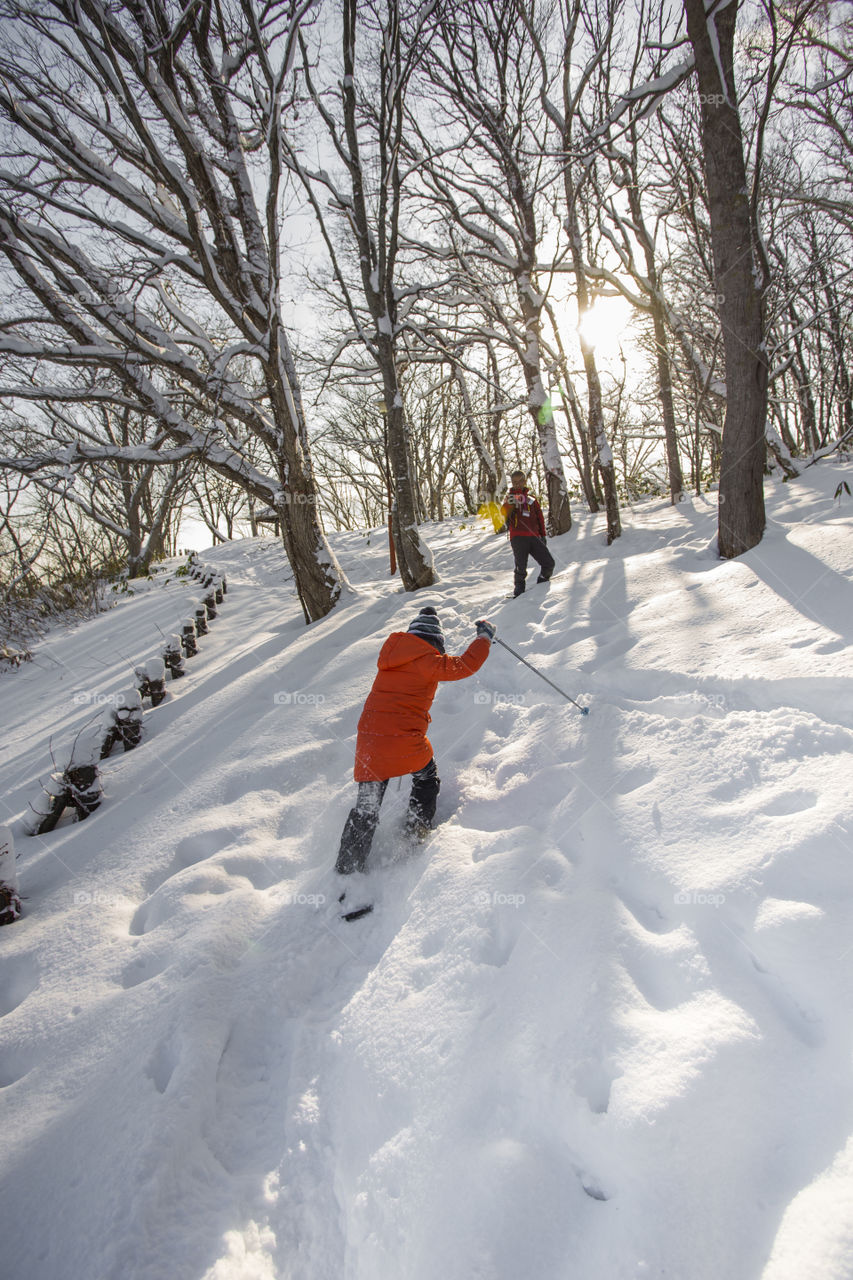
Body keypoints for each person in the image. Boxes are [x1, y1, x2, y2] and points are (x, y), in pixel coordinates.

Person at [335, 607, 496, 879]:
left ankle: (347, 871)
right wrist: (484, 637)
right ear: (434, 642)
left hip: (369, 742)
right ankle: (416, 830)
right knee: (426, 777)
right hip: (404, 741)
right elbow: (465, 665)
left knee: (366, 808)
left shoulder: (391, 659)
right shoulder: (426, 659)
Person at [501, 470, 556, 597]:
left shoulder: (532, 500)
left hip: (535, 537)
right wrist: (509, 507)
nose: (518, 484)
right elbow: (503, 516)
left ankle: (540, 588)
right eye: (515, 482)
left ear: (525, 481)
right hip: (518, 538)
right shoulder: (509, 499)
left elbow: (540, 519)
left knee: (549, 563)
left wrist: (542, 536)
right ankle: (519, 595)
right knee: (521, 569)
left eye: (520, 481)